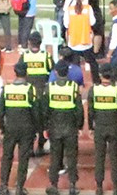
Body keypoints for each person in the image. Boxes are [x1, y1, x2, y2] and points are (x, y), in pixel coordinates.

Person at [0, 68, 39, 195]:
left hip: (10, 128)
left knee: (7, 156)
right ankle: (20, 187)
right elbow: (36, 112)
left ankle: (4, 185)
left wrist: (2, 127)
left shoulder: (7, 89)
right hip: (26, 128)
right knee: (23, 158)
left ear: (15, 73)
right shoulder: (30, 89)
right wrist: (36, 129)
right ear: (26, 73)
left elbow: (0, 111)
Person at [45, 57, 84, 192]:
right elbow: (79, 109)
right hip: (70, 127)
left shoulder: (50, 88)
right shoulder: (73, 88)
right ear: (67, 72)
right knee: (72, 157)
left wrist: (45, 126)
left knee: (55, 157)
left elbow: (45, 110)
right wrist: (79, 126)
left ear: (56, 72)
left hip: (55, 126)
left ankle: (54, 184)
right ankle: (73, 185)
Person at [89, 68, 117, 192]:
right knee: (114, 157)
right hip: (114, 125)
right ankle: (116, 187)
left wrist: (90, 127)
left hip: (99, 126)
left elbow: (90, 111)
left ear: (100, 75)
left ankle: (99, 187)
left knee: (99, 157)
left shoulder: (94, 90)